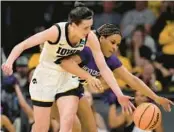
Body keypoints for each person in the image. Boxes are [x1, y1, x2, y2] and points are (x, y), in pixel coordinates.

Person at [1, 2, 134, 132]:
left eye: (90, 26)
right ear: (73, 25)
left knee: (67, 122)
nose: (89, 31)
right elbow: (22, 45)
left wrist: (119, 94)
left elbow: (103, 67)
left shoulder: (89, 37)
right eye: (85, 28)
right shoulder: (56, 32)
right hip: (45, 77)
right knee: (42, 127)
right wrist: (9, 62)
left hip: (67, 78)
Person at [60, 23, 174, 132]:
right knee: (73, 125)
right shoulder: (86, 51)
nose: (115, 47)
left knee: (91, 129)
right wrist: (88, 77)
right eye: (112, 42)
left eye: (117, 45)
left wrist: (156, 98)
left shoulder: (111, 60)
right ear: (101, 39)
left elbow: (132, 80)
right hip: (55, 85)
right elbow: (65, 63)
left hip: (74, 90)